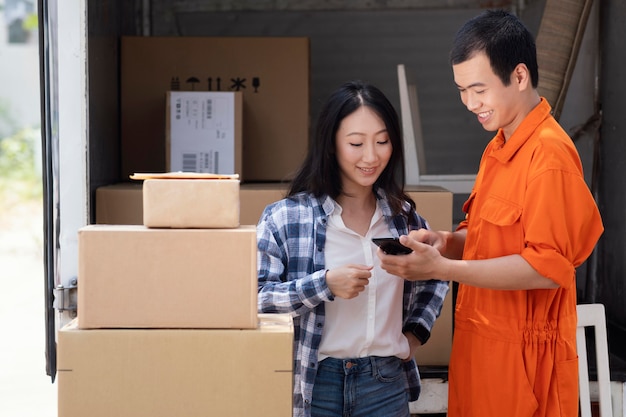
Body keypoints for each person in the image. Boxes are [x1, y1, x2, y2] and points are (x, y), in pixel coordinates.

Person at [378, 9, 604, 417]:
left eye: (478, 89)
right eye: (462, 90)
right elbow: (488, 238)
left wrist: (442, 269)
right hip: (481, 352)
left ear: (519, 77)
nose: (469, 103)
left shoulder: (549, 155)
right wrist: (446, 243)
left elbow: (545, 269)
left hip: (526, 370)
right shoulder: (499, 147)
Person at [256, 80, 449, 417]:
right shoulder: (285, 219)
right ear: (331, 144)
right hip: (315, 384)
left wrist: (414, 335)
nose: (371, 156)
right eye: (356, 143)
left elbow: (436, 277)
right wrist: (324, 284)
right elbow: (255, 298)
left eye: (382, 141)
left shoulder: (404, 219)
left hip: (385, 385)